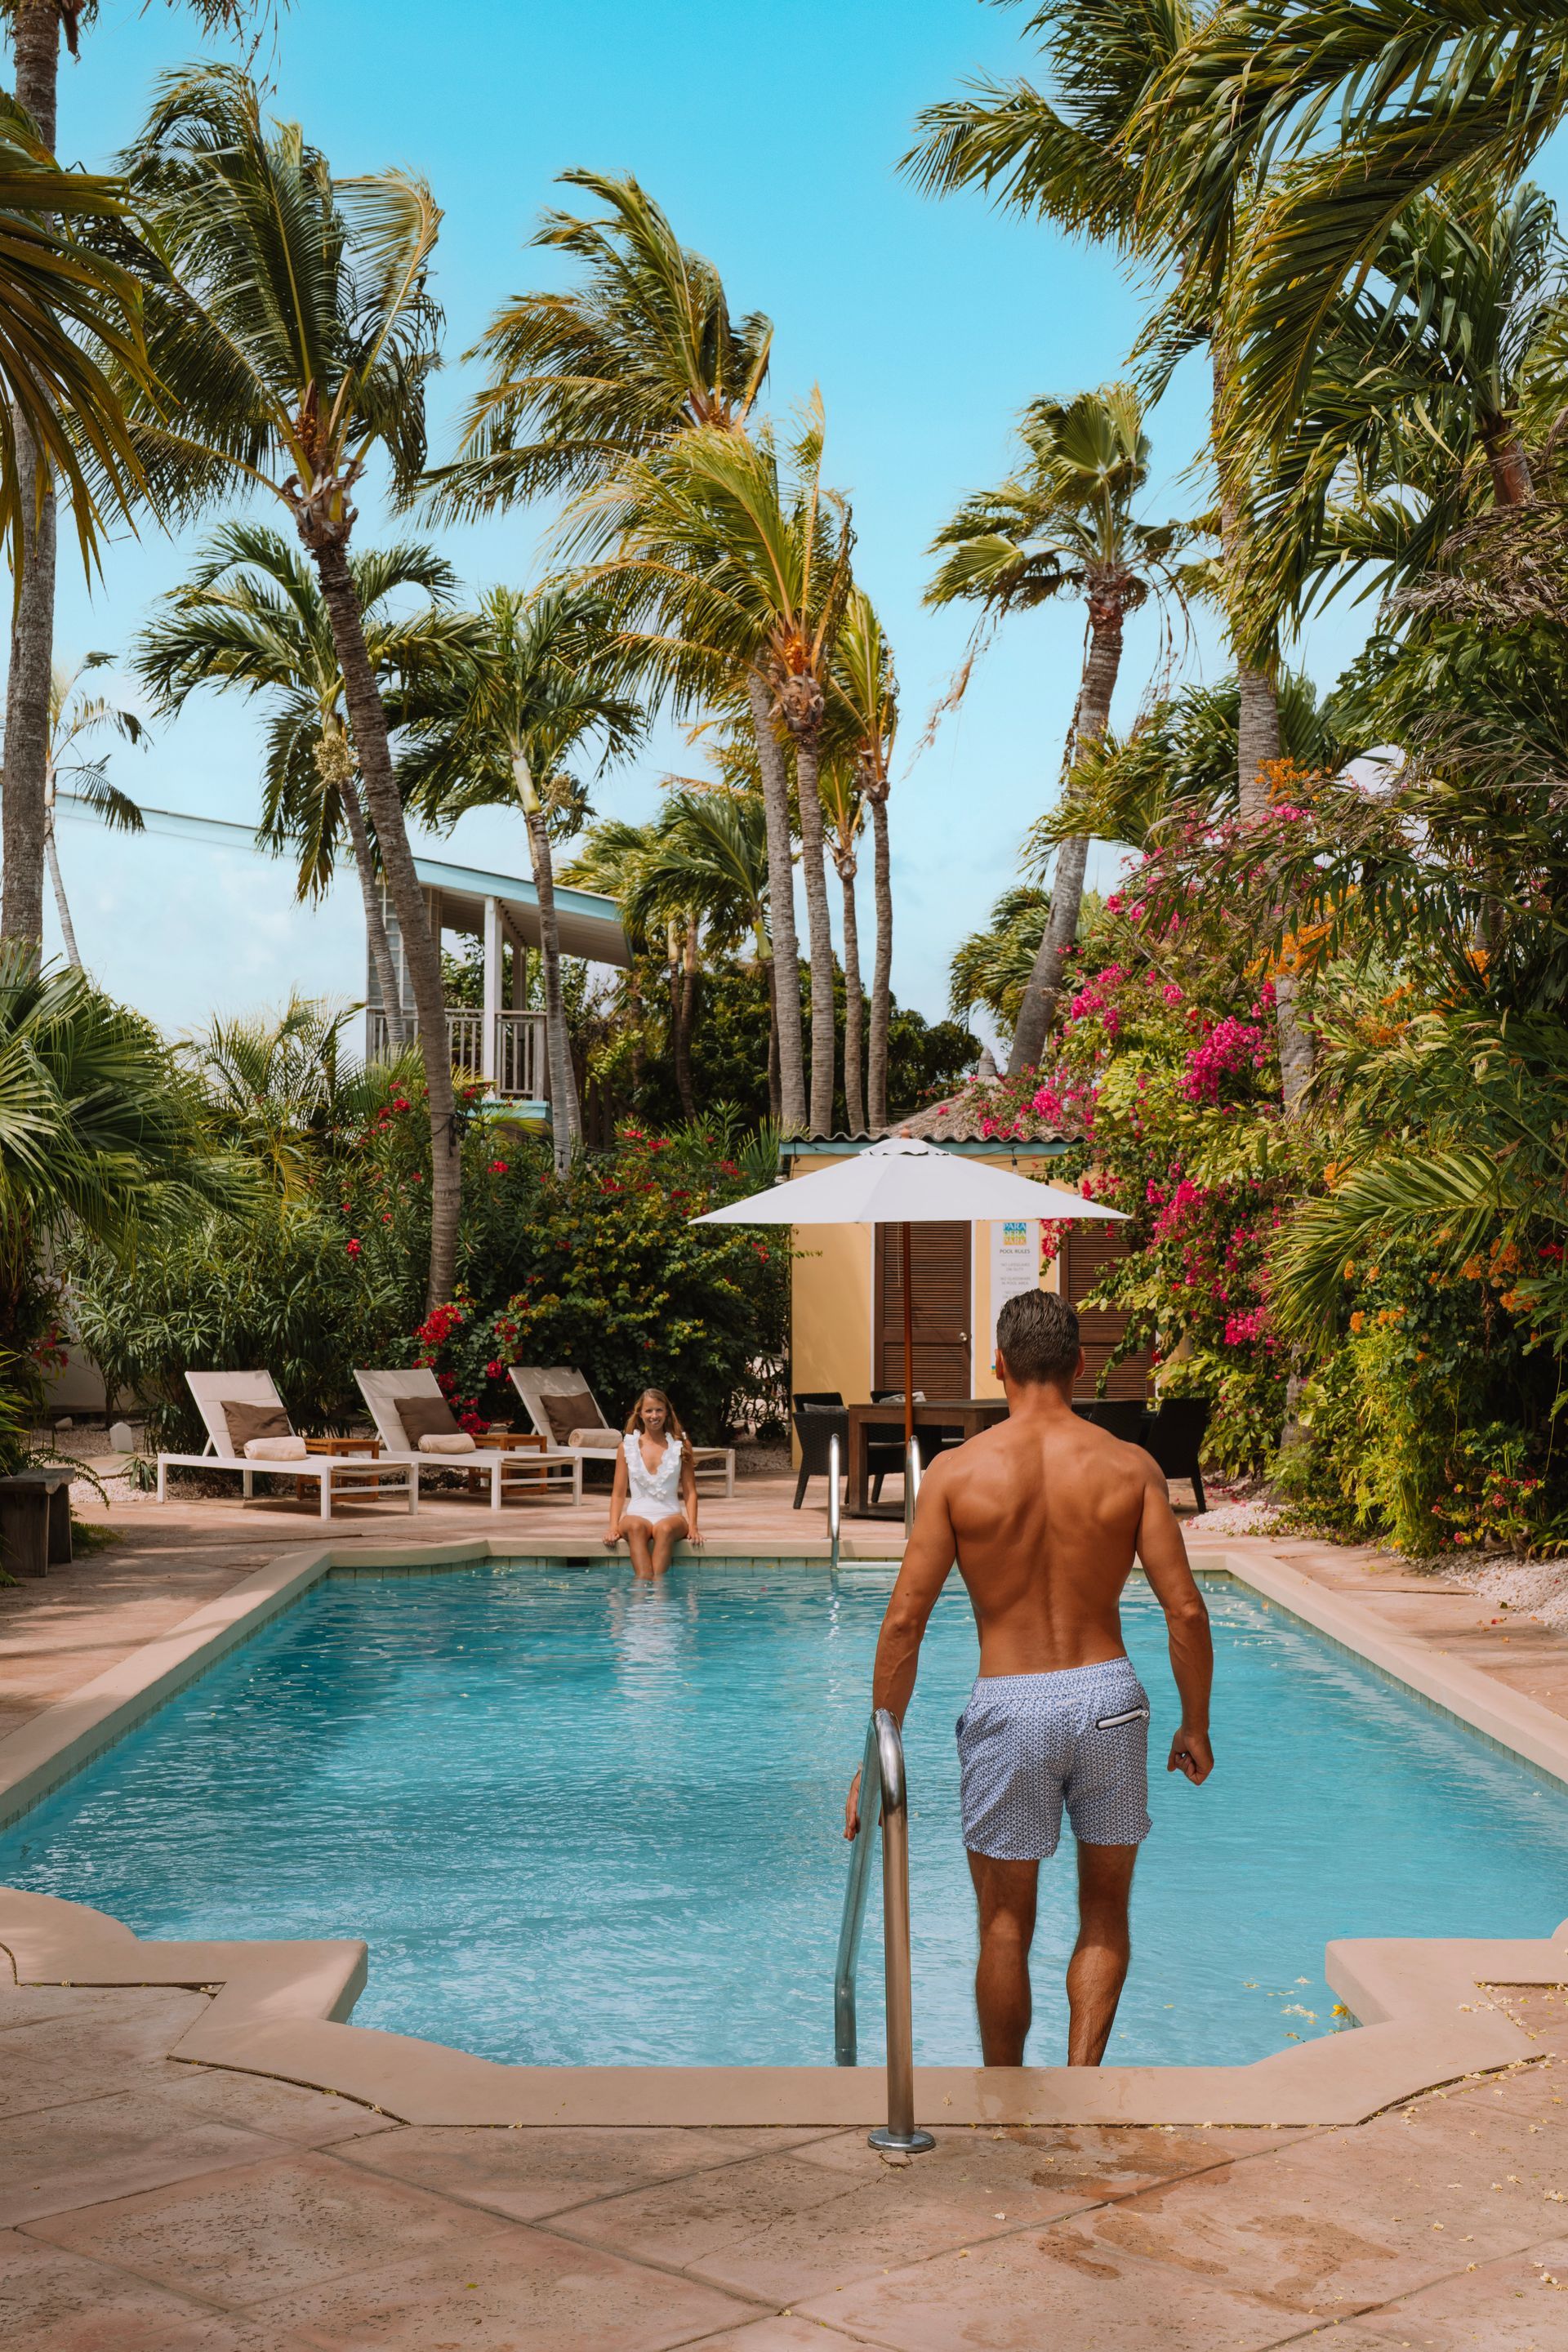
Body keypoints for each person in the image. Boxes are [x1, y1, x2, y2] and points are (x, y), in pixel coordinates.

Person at [844, 1287, 1213, 2069]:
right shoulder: (1130, 1467)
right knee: (1106, 1911)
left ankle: (1007, 2104)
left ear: (999, 1366)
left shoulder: (955, 1473)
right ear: (1081, 1366)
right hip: (1110, 1696)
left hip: (1010, 1704)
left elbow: (904, 1623)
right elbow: (1184, 1610)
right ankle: (1080, 2085)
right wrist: (1195, 1723)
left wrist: (878, 1753)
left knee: (1005, 1923)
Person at [604, 1388, 702, 1578]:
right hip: (636, 1515)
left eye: (659, 1410)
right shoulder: (627, 1447)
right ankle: (642, 1594)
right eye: (649, 1411)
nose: (654, 1415)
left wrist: (694, 1526)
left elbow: (690, 1492)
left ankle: (658, 1596)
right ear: (640, 1413)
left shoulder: (681, 1446)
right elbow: (618, 1493)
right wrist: (613, 1526)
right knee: (635, 1527)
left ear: (667, 1413)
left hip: (671, 1516)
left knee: (664, 1529)